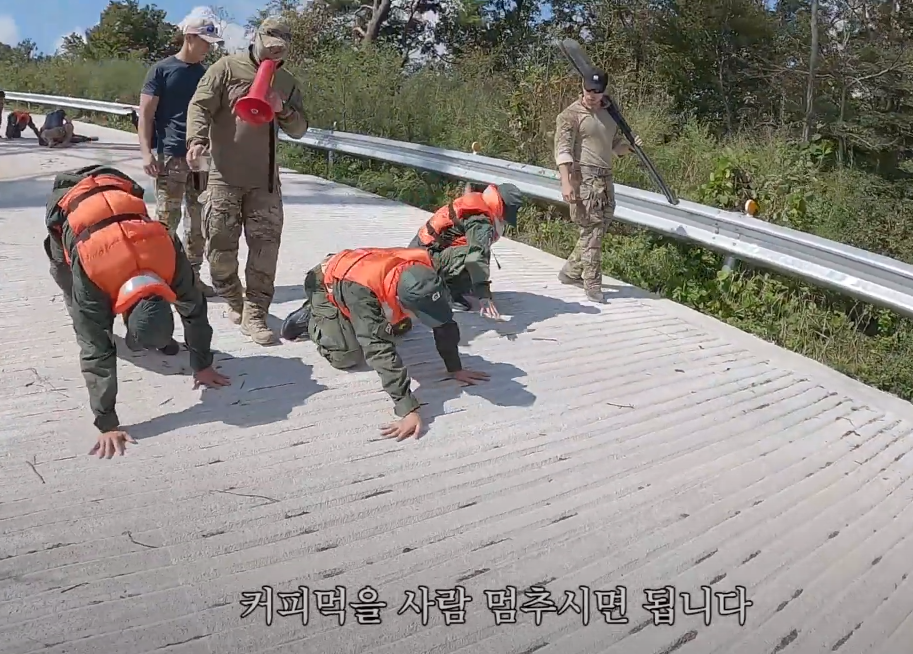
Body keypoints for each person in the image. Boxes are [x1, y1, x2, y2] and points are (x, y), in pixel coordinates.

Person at [43, 164, 231, 459]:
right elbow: (97, 351)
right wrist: (107, 423)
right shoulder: (92, 272)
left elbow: (195, 310)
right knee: (79, 305)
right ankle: (100, 320)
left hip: (116, 182)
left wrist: (202, 364)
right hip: (68, 199)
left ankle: (154, 334)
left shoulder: (169, 254)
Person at [185, 16, 309, 346]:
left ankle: (255, 313)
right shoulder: (226, 68)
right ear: (256, 39)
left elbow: (299, 128)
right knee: (220, 255)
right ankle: (234, 299)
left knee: (265, 253)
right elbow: (200, 106)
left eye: (280, 52)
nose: (274, 56)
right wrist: (195, 140)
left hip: (265, 184)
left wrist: (282, 108)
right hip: (224, 179)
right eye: (269, 48)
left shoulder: (287, 80)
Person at [280, 247, 490, 441]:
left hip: (363, 274)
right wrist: (407, 408)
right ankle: (310, 319)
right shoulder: (361, 292)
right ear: (398, 298)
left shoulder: (427, 276)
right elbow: (378, 349)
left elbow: (444, 322)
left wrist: (455, 368)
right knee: (347, 356)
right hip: (326, 283)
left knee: (401, 328)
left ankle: (352, 320)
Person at [139, 16, 224, 299]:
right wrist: (146, 152)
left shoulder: (207, 74)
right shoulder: (161, 70)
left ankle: (192, 277)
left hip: (200, 158)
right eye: (205, 42)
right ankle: (159, 277)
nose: (208, 49)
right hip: (170, 157)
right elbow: (146, 115)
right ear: (189, 37)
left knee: (198, 220)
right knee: (166, 221)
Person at [554, 69, 642, 303]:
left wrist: (631, 147)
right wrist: (566, 183)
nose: (591, 95)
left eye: (597, 91)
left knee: (599, 227)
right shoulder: (570, 115)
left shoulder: (610, 113)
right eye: (588, 90)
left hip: (605, 177)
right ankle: (592, 283)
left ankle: (571, 271)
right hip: (582, 176)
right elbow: (562, 151)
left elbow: (615, 147)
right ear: (582, 87)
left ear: (604, 91)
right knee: (592, 229)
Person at [409, 183, 523, 319]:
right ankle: (449, 292)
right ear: (503, 207)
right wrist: (483, 295)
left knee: (478, 250)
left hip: (422, 251)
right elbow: (475, 258)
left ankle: (459, 284)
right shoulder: (481, 220)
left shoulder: (481, 200)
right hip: (421, 260)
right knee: (474, 254)